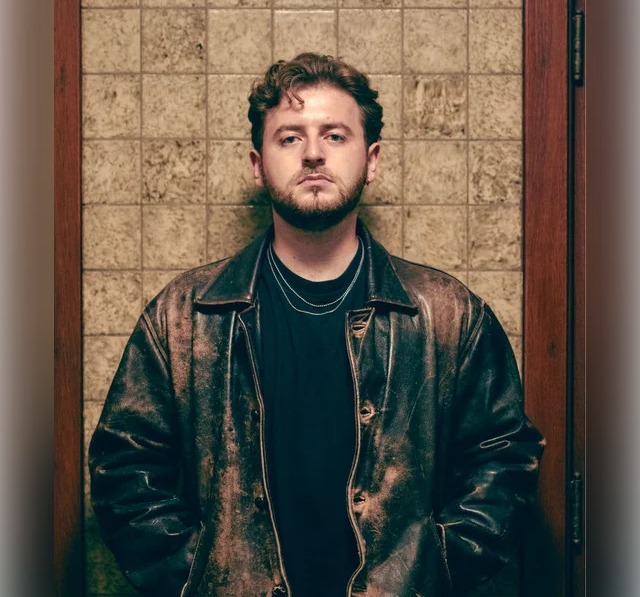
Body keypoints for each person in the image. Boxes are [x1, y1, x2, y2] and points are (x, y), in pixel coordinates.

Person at [89, 53, 544, 597]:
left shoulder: (448, 313)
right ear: (257, 165)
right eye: (289, 138)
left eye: (334, 135)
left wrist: (434, 570)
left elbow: (503, 460)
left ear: (371, 160)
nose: (312, 153)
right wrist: (198, 577)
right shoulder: (183, 315)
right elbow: (125, 468)